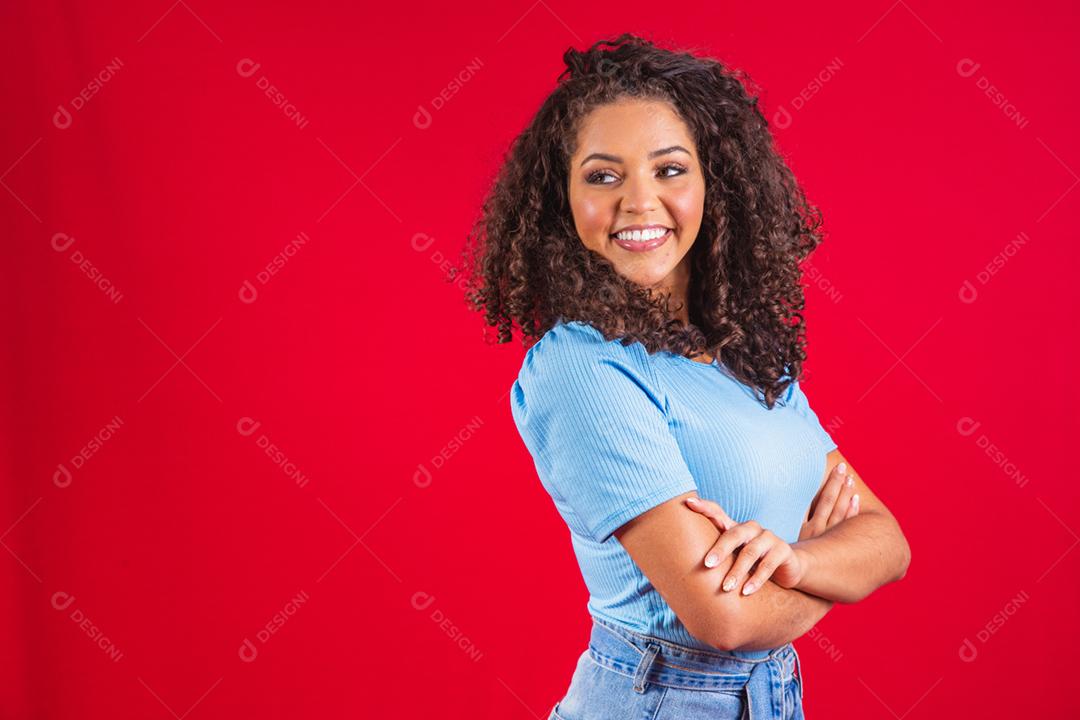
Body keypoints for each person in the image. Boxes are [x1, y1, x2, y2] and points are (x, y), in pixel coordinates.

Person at [461, 33, 911, 720]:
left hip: (772, 698)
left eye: (669, 170)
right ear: (563, 201)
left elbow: (887, 541)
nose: (639, 202)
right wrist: (829, 574)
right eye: (603, 176)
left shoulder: (744, 353)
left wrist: (789, 565)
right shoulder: (584, 366)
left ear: (714, 185)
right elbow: (724, 620)